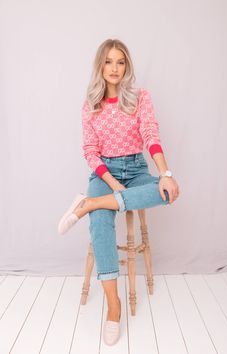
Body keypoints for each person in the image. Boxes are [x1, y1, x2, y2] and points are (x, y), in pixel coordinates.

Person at [58, 38, 180, 346]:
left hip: (137, 168)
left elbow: (150, 134)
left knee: (165, 192)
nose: (115, 68)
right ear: (100, 65)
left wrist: (165, 174)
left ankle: (89, 203)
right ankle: (114, 305)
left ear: (127, 67)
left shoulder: (140, 97)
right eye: (109, 61)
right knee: (101, 220)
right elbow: (90, 152)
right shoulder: (90, 106)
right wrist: (112, 185)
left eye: (121, 62)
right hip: (104, 173)